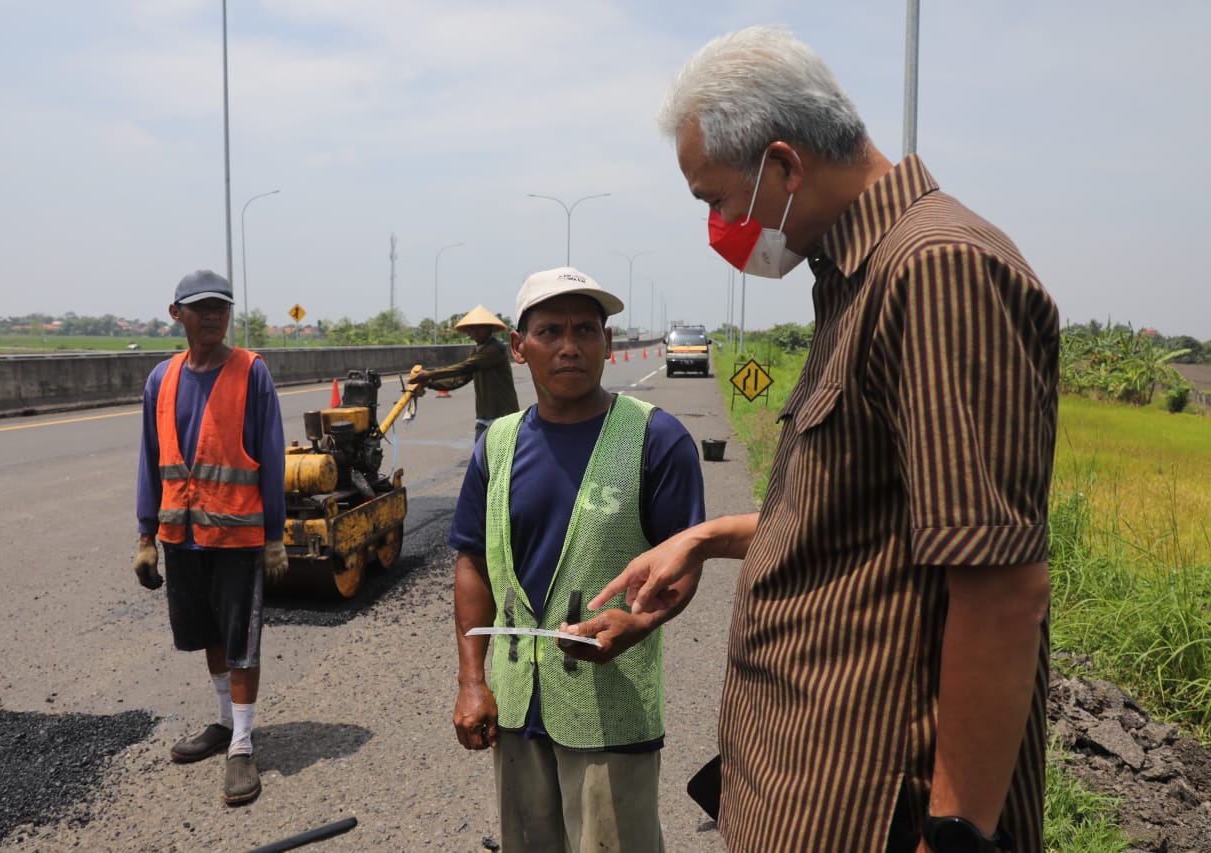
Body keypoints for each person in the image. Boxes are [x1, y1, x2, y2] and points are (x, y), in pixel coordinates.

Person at [573, 25, 1059, 853]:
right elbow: (867, 520)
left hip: (870, 806)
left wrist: (953, 837)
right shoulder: (852, 279)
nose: (719, 225)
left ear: (785, 166)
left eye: (716, 199)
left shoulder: (935, 268)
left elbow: (1000, 587)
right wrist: (704, 537)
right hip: (805, 783)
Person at [450, 267, 706, 852]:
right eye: (550, 331)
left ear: (608, 344)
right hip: (517, 705)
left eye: (586, 330)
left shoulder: (656, 438)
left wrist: (640, 622)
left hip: (610, 707)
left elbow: (686, 560)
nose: (570, 346)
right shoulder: (497, 444)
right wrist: (472, 680)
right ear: (519, 348)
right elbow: (472, 561)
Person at [133, 269, 287, 806]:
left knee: (241, 639)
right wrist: (145, 535)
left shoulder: (252, 373)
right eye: (201, 308)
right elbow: (152, 460)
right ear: (177, 314)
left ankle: (242, 745)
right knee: (210, 634)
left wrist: (274, 537)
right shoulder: (162, 379)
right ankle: (225, 722)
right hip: (182, 536)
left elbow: (271, 457)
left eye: (222, 307)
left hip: (239, 537)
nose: (214, 316)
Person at [410, 305, 520, 442]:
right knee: (480, 460)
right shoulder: (477, 351)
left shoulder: (495, 349)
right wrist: (430, 384)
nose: (476, 331)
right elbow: (459, 379)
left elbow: (466, 367)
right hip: (484, 417)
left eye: (481, 327)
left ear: (490, 329)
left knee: (501, 460)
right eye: (473, 328)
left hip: (504, 416)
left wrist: (430, 374)